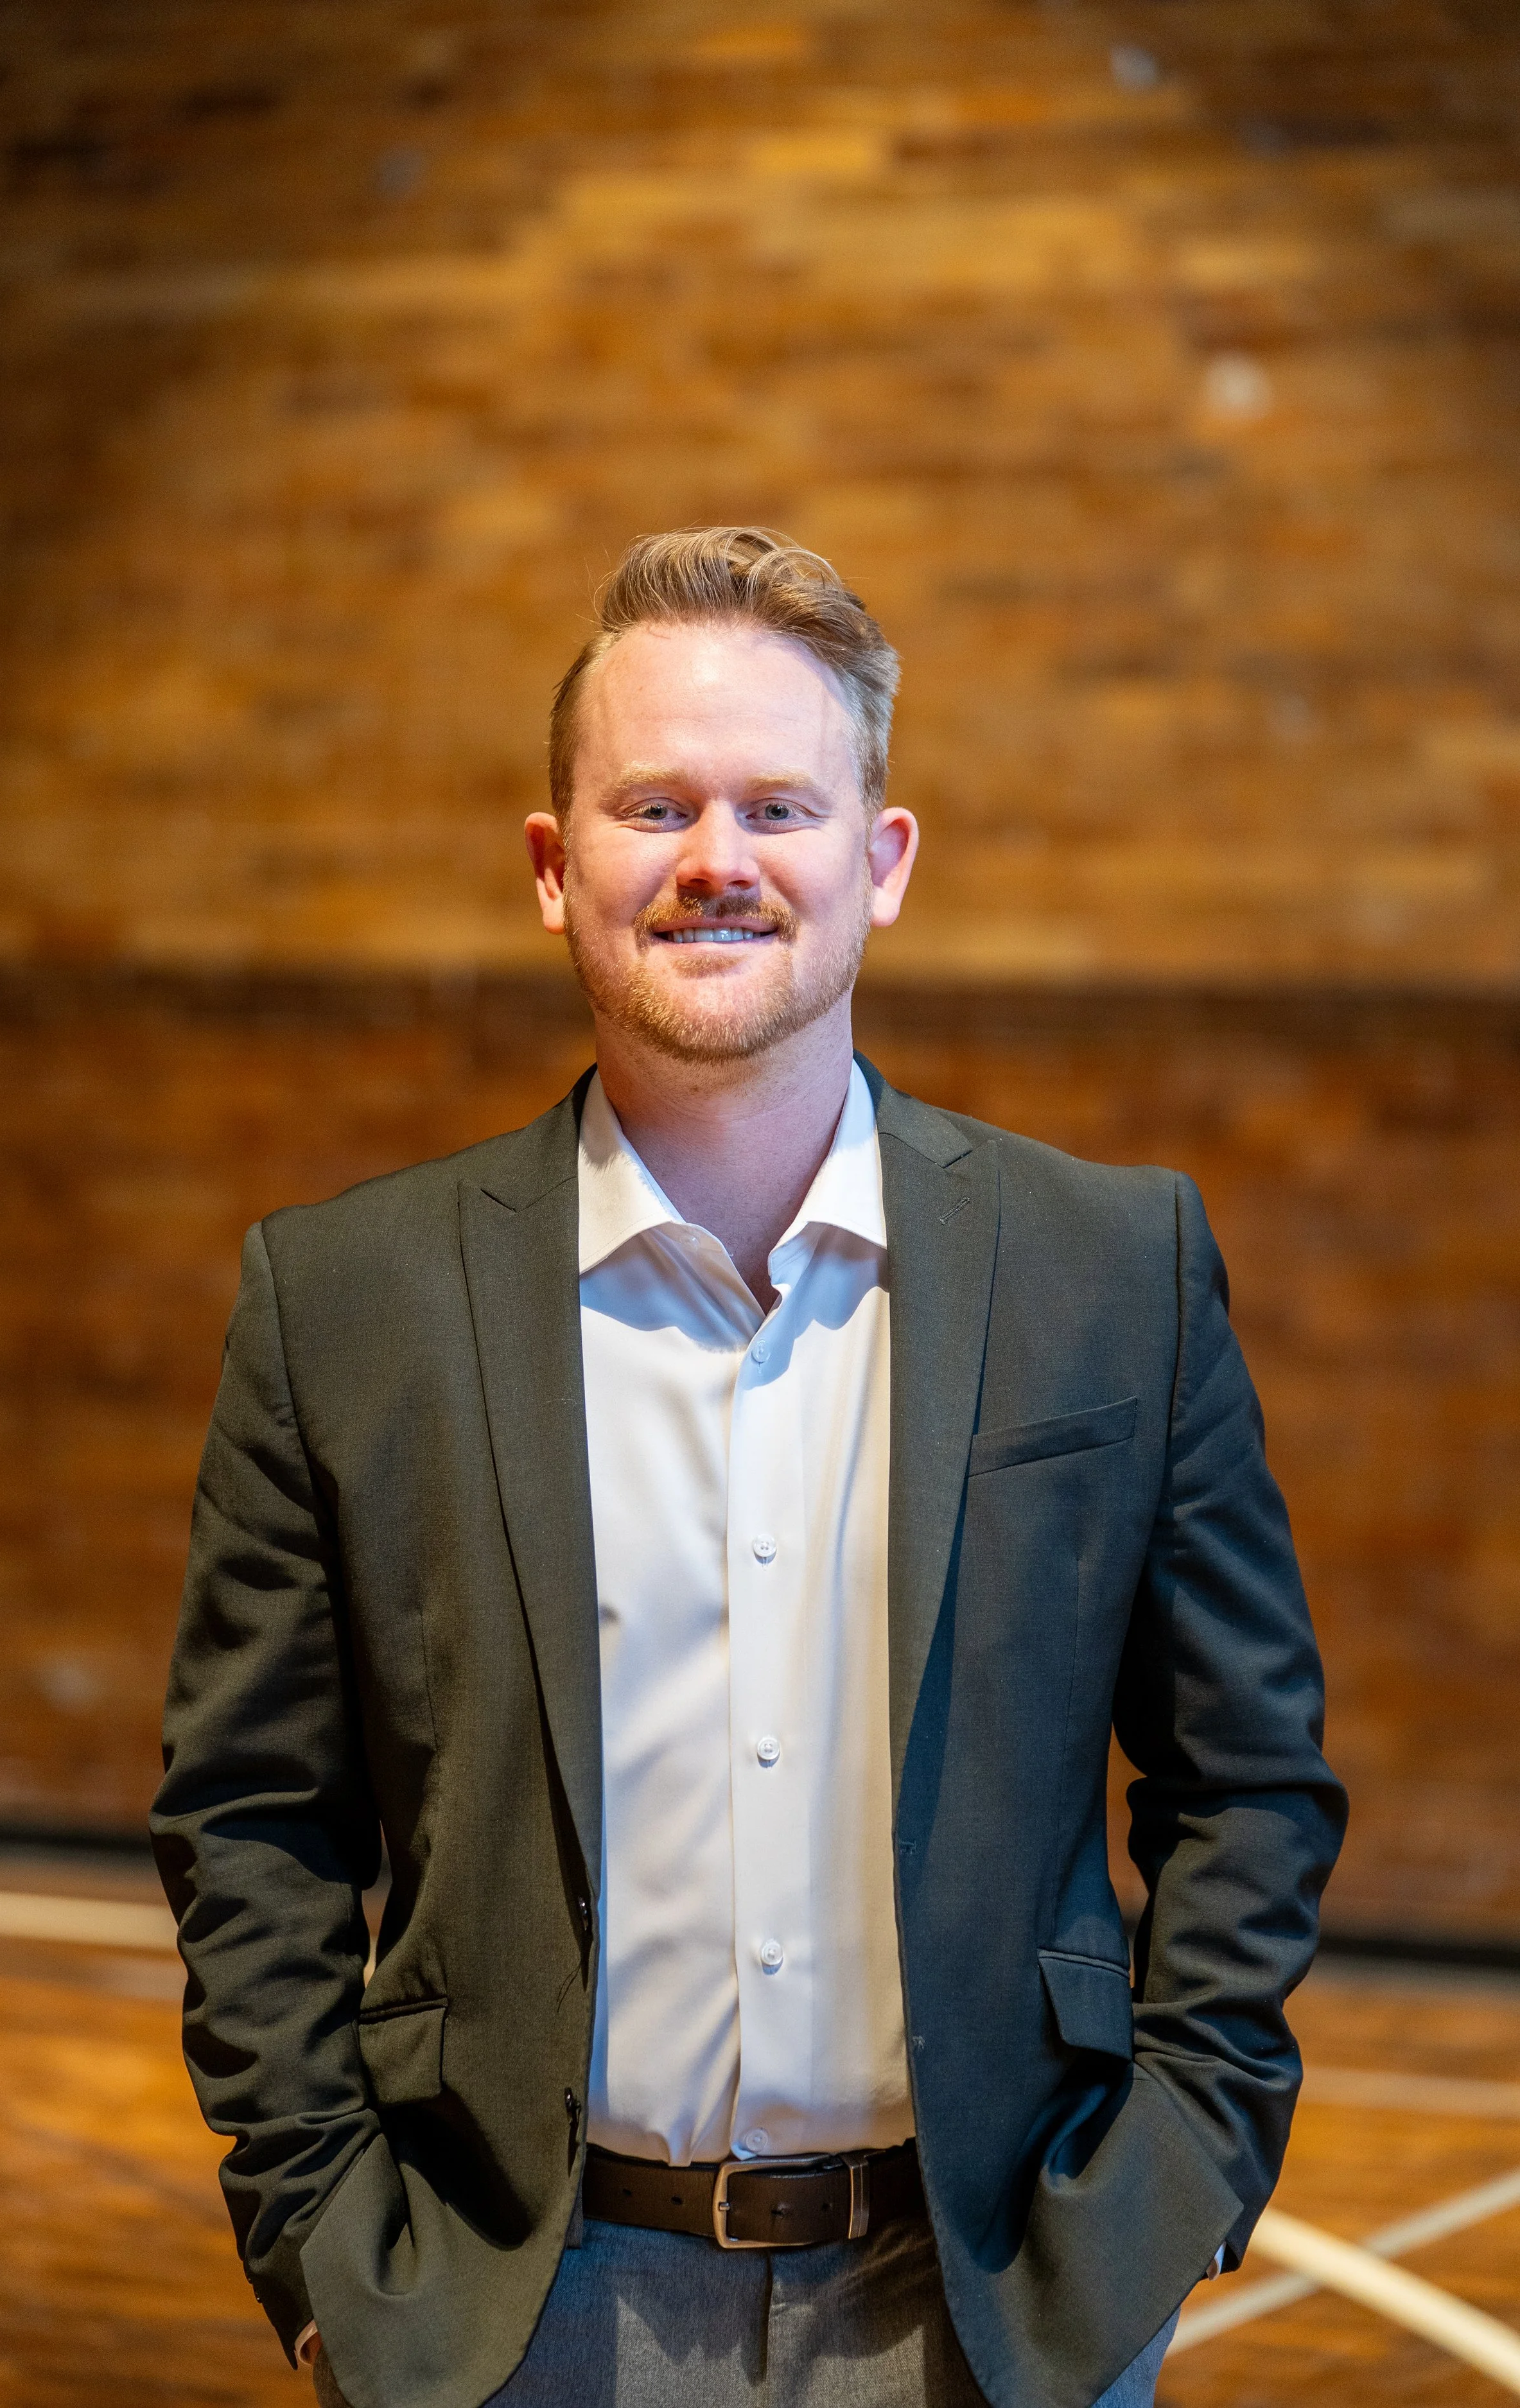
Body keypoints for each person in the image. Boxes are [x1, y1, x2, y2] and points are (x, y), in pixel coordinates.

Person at [153, 527, 1346, 2408]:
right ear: (557, 870)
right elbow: (248, 1819)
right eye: (654, 804)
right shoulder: (345, 1299)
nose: (716, 858)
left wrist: (1163, 2202)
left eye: (777, 803)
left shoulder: (1112, 1271)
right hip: (509, 2319)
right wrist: (324, 2252)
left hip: (986, 2306)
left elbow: (1251, 1775)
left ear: (880, 862)